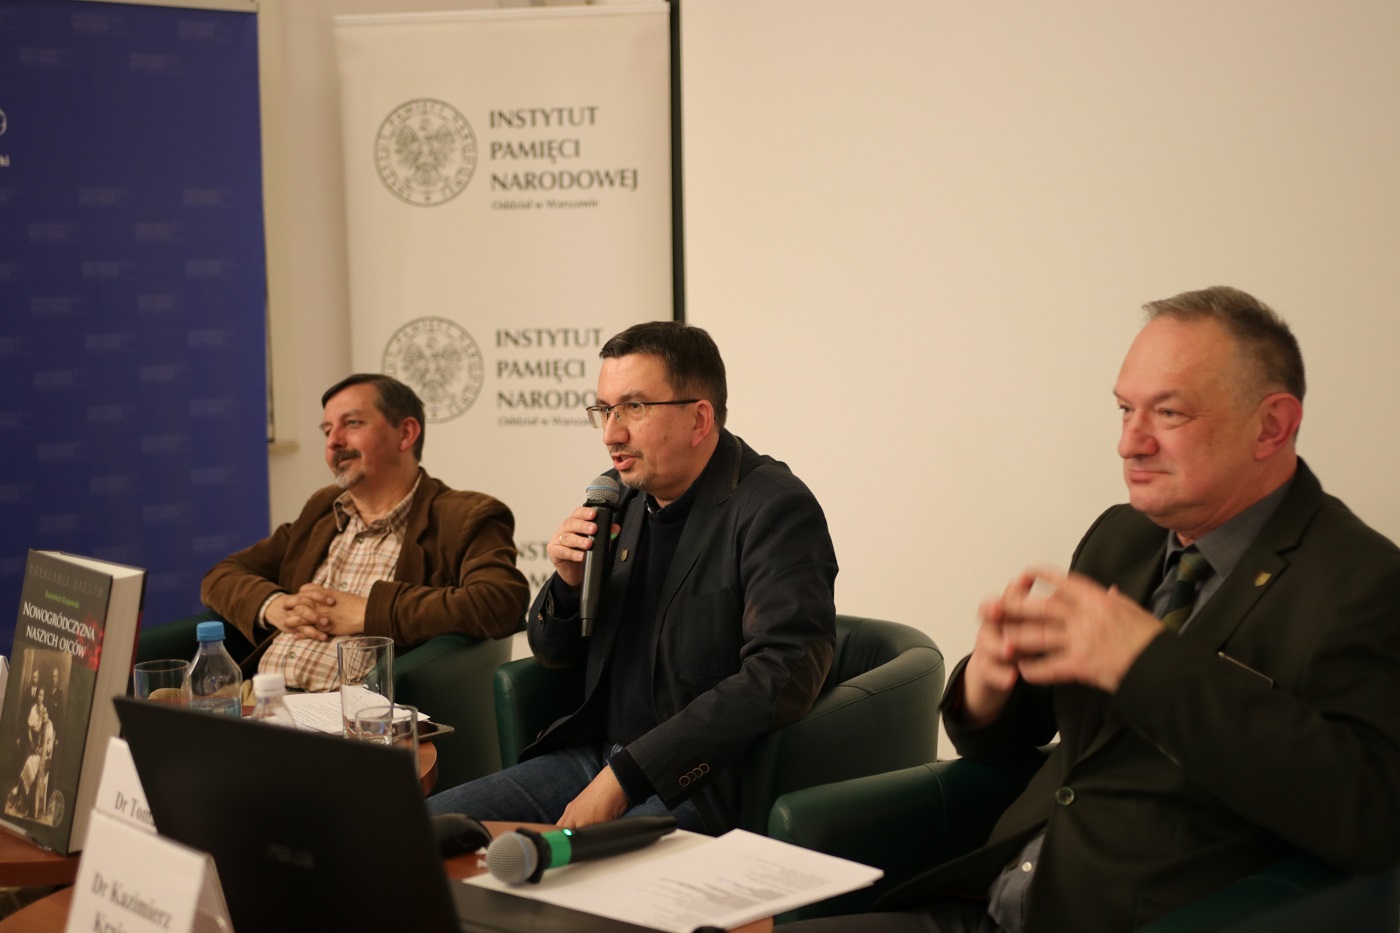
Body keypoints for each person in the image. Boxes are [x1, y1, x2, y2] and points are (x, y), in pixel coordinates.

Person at [788, 287, 1400, 932]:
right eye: (1125, 409)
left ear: (1271, 426)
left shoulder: (1364, 584)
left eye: (1168, 413)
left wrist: (1149, 665)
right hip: (985, 902)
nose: (1130, 443)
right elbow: (1009, 738)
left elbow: (1372, 817)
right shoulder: (1122, 536)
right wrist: (990, 686)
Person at [427, 321, 838, 834]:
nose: (610, 434)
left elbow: (782, 673)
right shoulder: (619, 497)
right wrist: (568, 584)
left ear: (699, 419)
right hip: (593, 757)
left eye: (634, 408)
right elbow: (552, 652)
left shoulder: (773, 508)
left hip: (697, 780)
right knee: (416, 828)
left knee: (581, 874)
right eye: (605, 410)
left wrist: (626, 777)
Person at [201, 373, 529, 691]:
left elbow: (501, 603)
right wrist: (274, 606)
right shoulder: (322, 510)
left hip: (358, 714)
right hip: (258, 700)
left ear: (405, 434)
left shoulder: (464, 517)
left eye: (352, 423)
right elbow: (221, 575)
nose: (334, 441)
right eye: (327, 430)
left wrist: (368, 612)